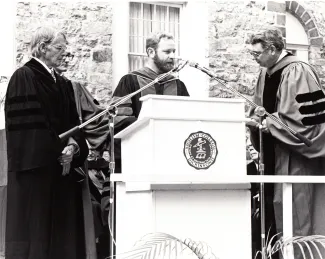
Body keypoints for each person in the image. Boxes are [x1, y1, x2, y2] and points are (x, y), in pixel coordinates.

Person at [5, 27, 89, 259]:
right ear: (42, 48)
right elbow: (28, 130)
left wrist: (73, 148)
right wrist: (58, 152)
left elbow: (76, 125)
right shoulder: (23, 77)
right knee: (37, 241)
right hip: (36, 176)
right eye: (60, 48)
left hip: (62, 174)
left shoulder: (63, 84)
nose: (65, 54)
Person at [248, 28, 325, 258]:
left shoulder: (298, 70)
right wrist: (255, 120)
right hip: (271, 156)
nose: (254, 58)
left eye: (257, 53)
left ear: (272, 49)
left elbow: (307, 124)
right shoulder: (265, 73)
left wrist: (271, 124)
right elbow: (258, 108)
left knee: (298, 215)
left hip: (296, 159)